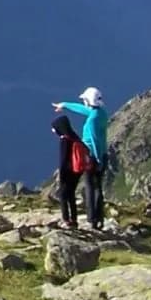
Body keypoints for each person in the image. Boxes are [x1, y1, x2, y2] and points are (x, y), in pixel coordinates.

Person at [52, 86, 109, 230]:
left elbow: (94, 140)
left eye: (84, 100)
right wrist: (65, 105)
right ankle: (98, 218)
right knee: (98, 187)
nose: (83, 102)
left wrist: (96, 159)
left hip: (92, 156)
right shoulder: (101, 113)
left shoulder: (92, 121)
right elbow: (83, 110)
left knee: (91, 187)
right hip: (102, 154)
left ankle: (92, 220)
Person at [50, 113, 82, 228]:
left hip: (67, 172)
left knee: (63, 195)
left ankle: (66, 219)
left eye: (55, 128)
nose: (54, 130)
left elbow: (63, 160)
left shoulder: (64, 140)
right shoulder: (75, 137)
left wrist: (61, 175)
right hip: (77, 171)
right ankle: (74, 219)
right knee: (71, 195)